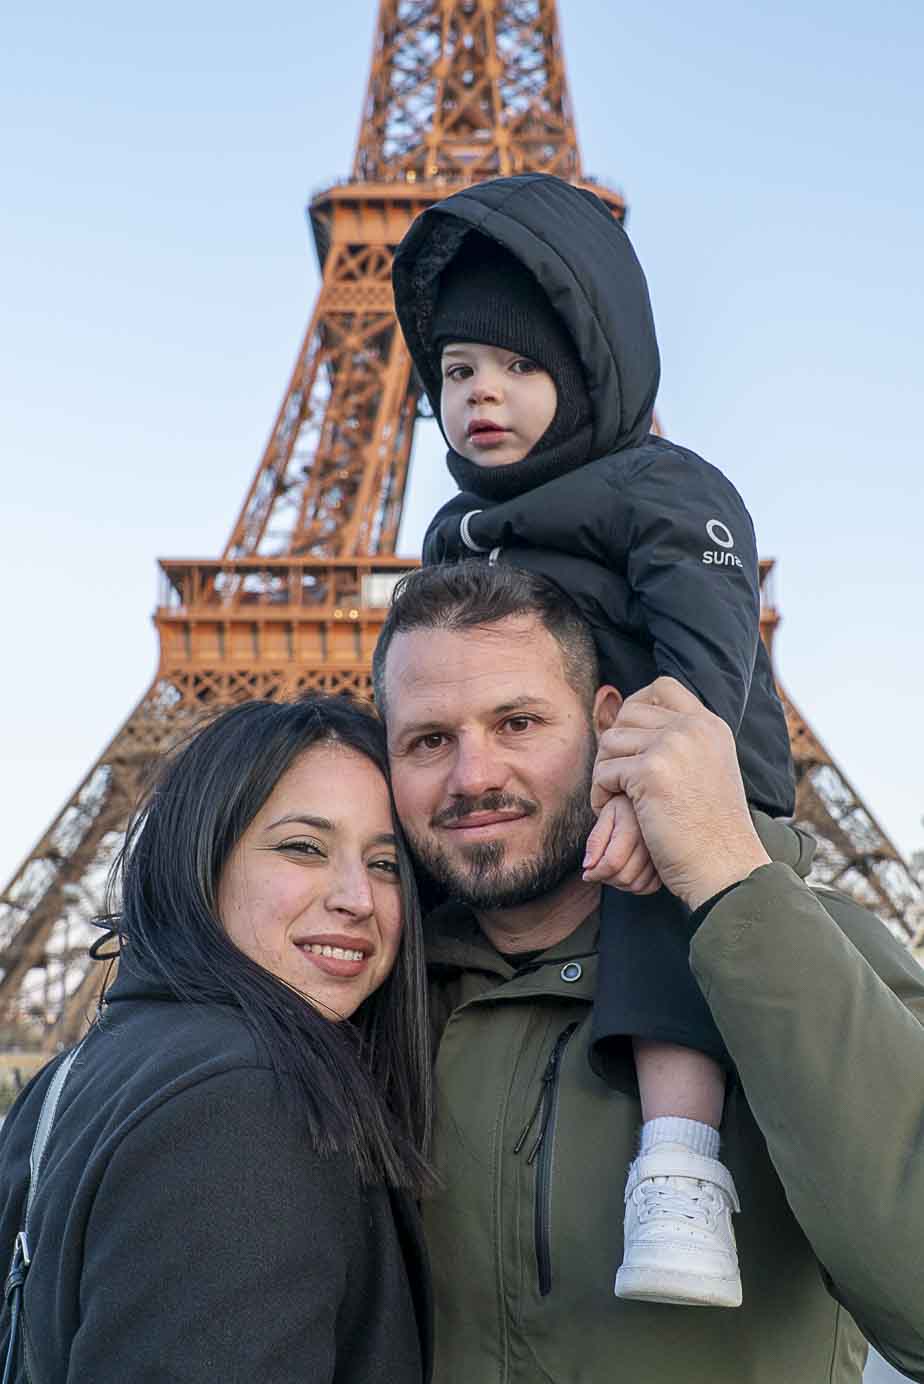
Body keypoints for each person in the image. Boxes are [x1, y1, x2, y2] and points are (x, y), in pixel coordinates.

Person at [391, 171, 796, 1308]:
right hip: (544, 776)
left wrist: (655, 790)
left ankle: (676, 1167)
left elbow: (709, 651)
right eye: (459, 370)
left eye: (520, 367)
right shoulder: (452, 528)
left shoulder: (659, 486)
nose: (483, 393)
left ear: (586, 375)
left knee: (674, 908)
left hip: (686, 767)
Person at [372, 559, 924, 1384]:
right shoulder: (367, 998)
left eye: (518, 723)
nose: (474, 776)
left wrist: (734, 886)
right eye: (428, 739)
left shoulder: (804, 950)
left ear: (609, 722)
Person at [0, 695, 433, 1383]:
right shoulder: (247, 1102)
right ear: (203, 861)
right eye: (303, 847)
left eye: (385, 864)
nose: (358, 897)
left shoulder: (70, 1079)